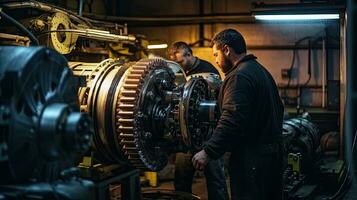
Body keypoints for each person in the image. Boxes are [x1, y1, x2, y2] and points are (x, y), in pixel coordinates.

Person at [192, 29, 284, 200]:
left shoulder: (238, 77)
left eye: (216, 54)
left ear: (226, 50)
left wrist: (208, 151)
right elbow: (280, 108)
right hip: (272, 156)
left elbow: (232, 119)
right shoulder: (260, 71)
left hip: (252, 159)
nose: (216, 61)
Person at [168, 41, 229, 200]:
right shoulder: (177, 73)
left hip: (208, 134)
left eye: (180, 61)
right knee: (181, 181)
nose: (178, 65)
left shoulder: (208, 70)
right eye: (175, 63)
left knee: (216, 181)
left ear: (189, 55)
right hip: (185, 136)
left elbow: (218, 102)